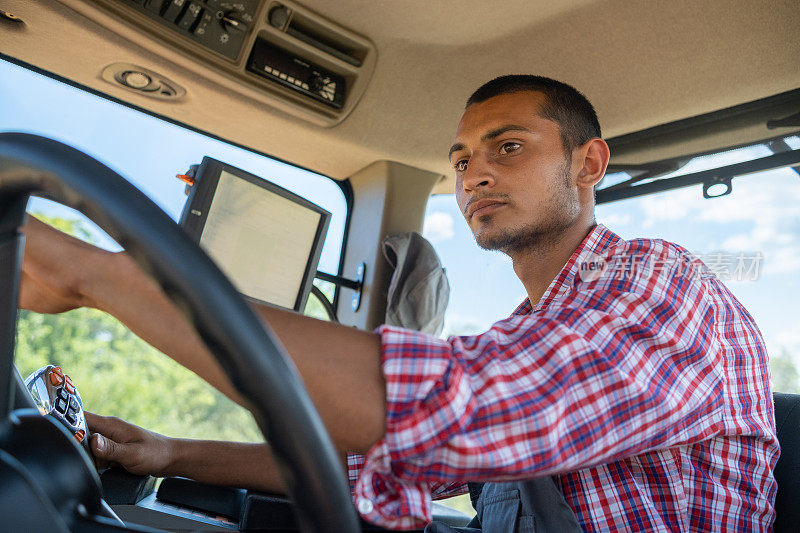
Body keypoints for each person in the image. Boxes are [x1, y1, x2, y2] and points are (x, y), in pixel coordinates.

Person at [19, 75, 778, 531]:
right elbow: (374, 468)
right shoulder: (534, 334)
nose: (473, 173)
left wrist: (101, 275)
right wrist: (170, 451)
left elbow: (462, 411)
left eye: (507, 147)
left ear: (589, 163)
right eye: (460, 158)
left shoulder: (665, 285)